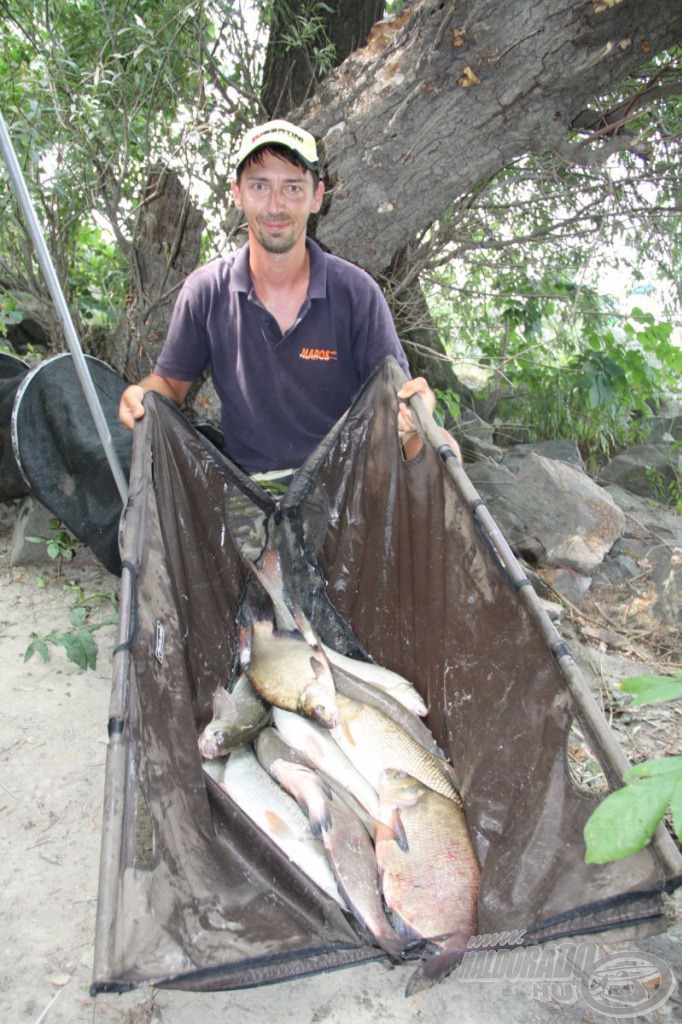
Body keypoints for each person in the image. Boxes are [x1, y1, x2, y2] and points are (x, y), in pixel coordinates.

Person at [119, 119, 459, 476]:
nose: (275, 206)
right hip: (251, 488)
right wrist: (141, 397)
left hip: (346, 484)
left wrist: (415, 413)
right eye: (260, 186)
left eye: (293, 188)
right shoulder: (206, 291)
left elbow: (398, 399)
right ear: (237, 193)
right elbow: (169, 385)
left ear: (317, 197)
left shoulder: (357, 293)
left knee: (443, 450)